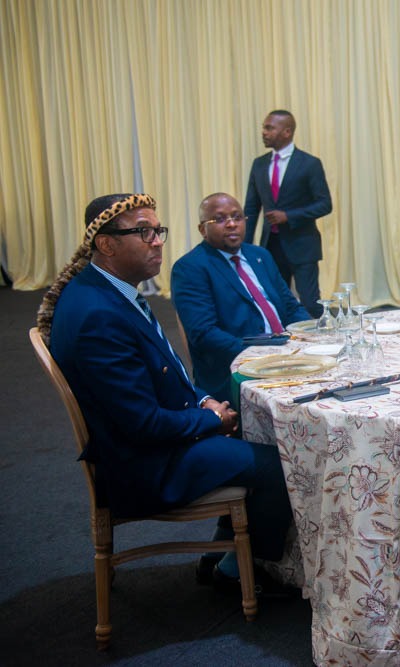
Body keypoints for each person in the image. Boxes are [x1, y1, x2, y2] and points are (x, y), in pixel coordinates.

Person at [37, 193, 293, 592]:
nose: (157, 240)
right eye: (144, 232)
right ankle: (244, 570)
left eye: (158, 230)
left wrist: (204, 401)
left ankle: (225, 552)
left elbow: (165, 370)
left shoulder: (107, 291)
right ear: (106, 244)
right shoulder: (97, 315)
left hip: (149, 442)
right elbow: (142, 424)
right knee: (280, 464)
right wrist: (209, 420)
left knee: (250, 438)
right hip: (143, 466)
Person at [172, 192, 312, 405]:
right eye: (219, 219)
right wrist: (261, 354)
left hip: (287, 354)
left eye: (237, 217)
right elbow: (204, 334)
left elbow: (291, 307)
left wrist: (310, 333)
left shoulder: (260, 255)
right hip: (238, 369)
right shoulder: (191, 268)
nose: (231, 224)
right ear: (202, 229)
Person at [244, 109, 332, 317]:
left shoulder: (309, 163)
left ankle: (320, 343)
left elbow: (325, 204)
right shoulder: (259, 164)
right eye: (264, 127)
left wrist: (289, 216)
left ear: (287, 131)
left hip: (302, 245)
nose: (263, 132)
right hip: (270, 247)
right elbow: (251, 208)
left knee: (310, 303)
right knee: (277, 301)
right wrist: (244, 246)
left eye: (269, 128)